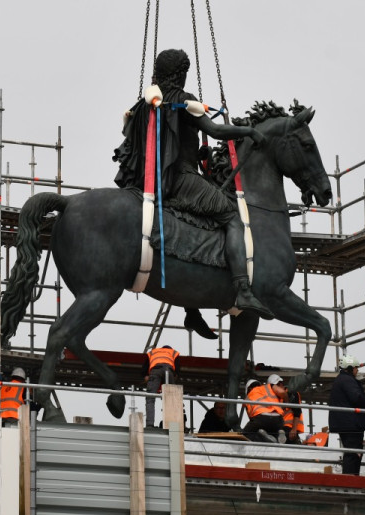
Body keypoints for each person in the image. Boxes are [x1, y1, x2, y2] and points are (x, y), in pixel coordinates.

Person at [112, 48, 272, 320]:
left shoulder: (145, 105)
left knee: (193, 224)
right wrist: (249, 131)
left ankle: (192, 307)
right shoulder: (183, 100)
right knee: (232, 217)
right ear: (180, 75)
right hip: (180, 179)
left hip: (152, 183)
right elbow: (216, 130)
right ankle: (243, 288)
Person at [328, 354, 365, 475]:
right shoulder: (348, 380)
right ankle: (351, 478)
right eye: (355, 368)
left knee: (352, 452)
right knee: (353, 452)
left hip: (345, 423)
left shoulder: (341, 379)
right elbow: (356, 398)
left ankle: (352, 477)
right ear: (349, 368)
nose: (357, 370)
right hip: (350, 424)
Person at [144, 344, 181, 427]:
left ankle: (149, 424)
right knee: (172, 398)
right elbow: (177, 371)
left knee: (150, 399)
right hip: (169, 371)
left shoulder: (153, 352)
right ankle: (173, 424)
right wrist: (172, 383)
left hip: (155, 371)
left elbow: (144, 370)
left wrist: (146, 376)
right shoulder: (174, 352)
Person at [242, 374, 287, 443]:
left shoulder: (247, 398)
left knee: (246, 434)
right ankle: (278, 435)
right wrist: (286, 403)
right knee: (271, 431)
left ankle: (263, 437)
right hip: (278, 419)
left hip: (262, 418)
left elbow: (251, 418)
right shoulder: (268, 387)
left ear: (248, 389)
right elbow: (282, 392)